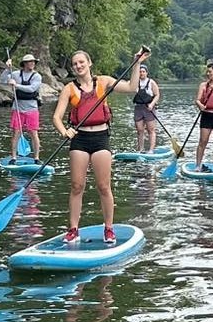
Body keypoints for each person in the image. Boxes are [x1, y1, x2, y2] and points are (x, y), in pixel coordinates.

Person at [52, 48, 149, 245]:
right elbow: (56, 117)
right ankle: (73, 229)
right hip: (80, 140)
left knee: (104, 186)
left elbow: (132, 87)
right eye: (75, 64)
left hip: (101, 137)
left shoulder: (103, 82)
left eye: (81, 62)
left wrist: (137, 62)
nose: (78, 66)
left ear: (89, 63)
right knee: (77, 186)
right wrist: (64, 131)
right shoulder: (69, 89)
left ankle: (109, 228)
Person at [0, 53, 43, 164]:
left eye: (33, 62)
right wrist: (7, 68)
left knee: (33, 133)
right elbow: (2, 80)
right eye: (30, 62)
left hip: (32, 109)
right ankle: (14, 157)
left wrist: (16, 85)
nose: (32, 63)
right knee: (16, 133)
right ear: (24, 64)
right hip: (18, 108)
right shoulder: (16, 74)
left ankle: (36, 158)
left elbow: (32, 89)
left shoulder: (37, 76)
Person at [133, 63, 160, 153]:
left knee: (150, 129)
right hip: (138, 108)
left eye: (143, 72)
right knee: (140, 129)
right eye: (140, 72)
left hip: (148, 108)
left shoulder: (151, 82)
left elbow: (157, 95)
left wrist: (152, 104)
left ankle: (151, 150)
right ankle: (140, 149)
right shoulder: (135, 82)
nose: (141, 73)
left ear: (146, 73)